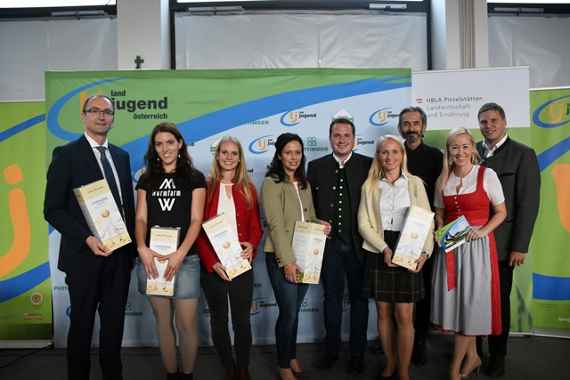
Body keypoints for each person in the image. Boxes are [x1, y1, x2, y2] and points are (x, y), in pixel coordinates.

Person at [44, 94, 136, 380]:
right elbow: (53, 210)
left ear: (113, 118)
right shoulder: (66, 155)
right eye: (94, 110)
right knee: (82, 328)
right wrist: (86, 238)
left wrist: (130, 252)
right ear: (83, 116)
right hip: (83, 257)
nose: (101, 116)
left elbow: (126, 207)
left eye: (107, 111)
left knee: (113, 329)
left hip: (119, 258)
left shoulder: (121, 156)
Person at [431, 128, 507, 380]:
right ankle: (473, 357)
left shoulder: (487, 175)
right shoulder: (443, 180)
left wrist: (483, 231)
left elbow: (501, 212)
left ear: (473, 148)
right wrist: (438, 229)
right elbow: (440, 212)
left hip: (476, 248)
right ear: (448, 151)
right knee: (457, 306)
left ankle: (454, 368)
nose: (460, 152)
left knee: (470, 305)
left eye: (465, 146)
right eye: (454, 147)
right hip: (451, 247)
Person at [357, 135, 434, 380]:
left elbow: (426, 220)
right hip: (379, 249)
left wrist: (425, 252)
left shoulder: (414, 184)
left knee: (403, 314)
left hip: (408, 246)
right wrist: (383, 248)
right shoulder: (370, 185)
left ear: (403, 155)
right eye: (384, 152)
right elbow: (363, 224)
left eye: (394, 152)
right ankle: (390, 363)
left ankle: (403, 370)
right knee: (383, 312)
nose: (389, 157)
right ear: (378, 156)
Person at [134, 122, 206, 380]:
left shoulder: (194, 177)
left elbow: (196, 219)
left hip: (185, 259)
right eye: (159, 143)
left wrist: (180, 253)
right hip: (152, 259)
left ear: (180, 144)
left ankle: (186, 374)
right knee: (162, 322)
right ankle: (171, 374)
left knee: (185, 324)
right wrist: (142, 247)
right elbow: (141, 218)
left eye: (170, 142)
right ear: (154, 148)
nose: (165, 148)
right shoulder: (146, 179)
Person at [476, 103, 540, 377]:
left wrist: (519, 245)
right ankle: (475, 352)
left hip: (503, 245)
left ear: (504, 122)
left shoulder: (523, 154)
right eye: (483, 121)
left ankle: (498, 354)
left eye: (493, 120)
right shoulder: (472, 151)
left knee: (498, 301)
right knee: (474, 300)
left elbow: (529, 203)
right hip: (473, 244)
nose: (488, 125)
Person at [261, 133, 331, 380]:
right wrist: (287, 261)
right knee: (289, 311)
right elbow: (276, 225)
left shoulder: (304, 182)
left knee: (295, 309)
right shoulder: (272, 183)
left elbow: (308, 216)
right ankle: (283, 364)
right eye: (288, 152)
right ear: (279, 154)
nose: (293, 157)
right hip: (281, 256)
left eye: (297, 152)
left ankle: (290, 355)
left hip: (305, 254)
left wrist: (319, 223)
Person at [307, 110, 372, 373]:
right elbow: (307, 208)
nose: (342, 140)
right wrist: (314, 223)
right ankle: (330, 350)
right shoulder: (316, 166)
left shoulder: (369, 165)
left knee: (359, 301)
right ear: (330, 138)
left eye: (347, 136)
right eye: (337, 135)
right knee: (331, 299)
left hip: (360, 247)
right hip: (329, 249)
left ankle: (358, 354)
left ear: (355, 139)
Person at [195, 136, 263, 380]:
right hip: (214, 266)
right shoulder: (206, 187)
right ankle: (228, 366)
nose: (229, 157)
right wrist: (211, 263)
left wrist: (251, 246)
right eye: (224, 152)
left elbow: (256, 227)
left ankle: (243, 367)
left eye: (234, 153)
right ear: (217, 156)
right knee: (219, 320)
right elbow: (198, 230)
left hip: (241, 264)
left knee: (242, 321)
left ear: (240, 158)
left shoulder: (248, 188)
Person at [397, 106, 443, 365]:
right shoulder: (393, 153)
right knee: (398, 291)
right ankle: (397, 339)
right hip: (394, 233)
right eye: (406, 124)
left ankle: (420, 340)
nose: (411, 128)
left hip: (423, 233)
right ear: (400, 128)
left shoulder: (436, 157)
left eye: (415, 123)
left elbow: (441, 196)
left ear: (423, 126)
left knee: (421, 289)